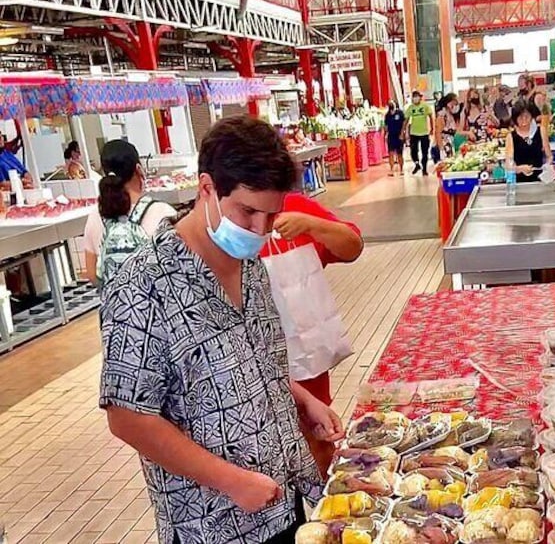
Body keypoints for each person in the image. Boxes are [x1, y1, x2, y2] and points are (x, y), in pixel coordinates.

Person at [99, 116, 342, 543]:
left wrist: (303, 400)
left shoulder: (250, 266)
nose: (259, 231)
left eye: (271, 215)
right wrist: (230, 481)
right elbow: (127, 416)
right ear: (207, 188)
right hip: (213, 524)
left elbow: (255, 362)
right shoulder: (144, 284)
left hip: (285, 496)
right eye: (247, 211)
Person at [260, 192, 363, 473]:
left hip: (306, 368)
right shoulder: (218, 225)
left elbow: (352, 247)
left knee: (318, 443)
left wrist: (312, 225)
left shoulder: (293, 207)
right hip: (251, 380)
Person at [82, 140, 176, 286]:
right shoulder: (162, 212)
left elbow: (92, 273)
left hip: (116, 307)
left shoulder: (96, 215)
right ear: (139, 169)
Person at [505, 99, 553, 183]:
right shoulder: (511, 137)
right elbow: (509, 163)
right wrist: (519, 169)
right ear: (515, 118)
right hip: (520, 183)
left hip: (540, 180)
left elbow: (549, 156)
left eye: (527, 116)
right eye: (520, 117)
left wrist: (547, 166)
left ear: (532, 117)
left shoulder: (541, 131)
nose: (524, 120)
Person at [404, 91, 434, 176]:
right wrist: (404, 131)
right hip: (414, 133)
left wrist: (432, 128)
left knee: (425, 152)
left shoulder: (425, 106)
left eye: (417, 96)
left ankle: (424, 169)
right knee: (413, 151)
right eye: (414, 97)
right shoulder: (410, 108)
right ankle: (417, 164)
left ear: (420, 97)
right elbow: (406, 120)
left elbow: (431, 116)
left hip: (424, 132)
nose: (415, 98)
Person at [434, 93, 461, 161]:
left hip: (451, 144)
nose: (456, 106)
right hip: (444, 145)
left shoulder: (452, 116)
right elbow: (438, 133)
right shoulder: (442, 116)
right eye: (455, 103)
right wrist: (441, 149)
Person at [384, 101, 406, 176]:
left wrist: (402, 133)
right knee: (391, 153)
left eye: (392, 103)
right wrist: (386, 134)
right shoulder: (387, 115)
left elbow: (404, 123)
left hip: (399, 135)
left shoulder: (400, 113)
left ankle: (401, 169)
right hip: (391, 136)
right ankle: (392, 169)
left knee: (400, 153)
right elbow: (386, 126)